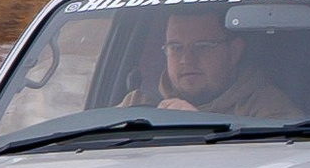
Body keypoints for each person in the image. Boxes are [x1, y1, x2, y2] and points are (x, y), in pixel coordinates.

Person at [124, 9, 300, 120]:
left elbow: (270, 167)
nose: (186, 59)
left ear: (234, 51)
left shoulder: (269, 111)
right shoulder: (137, 104)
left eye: (202, 47)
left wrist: (197, 126)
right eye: (176, 48)